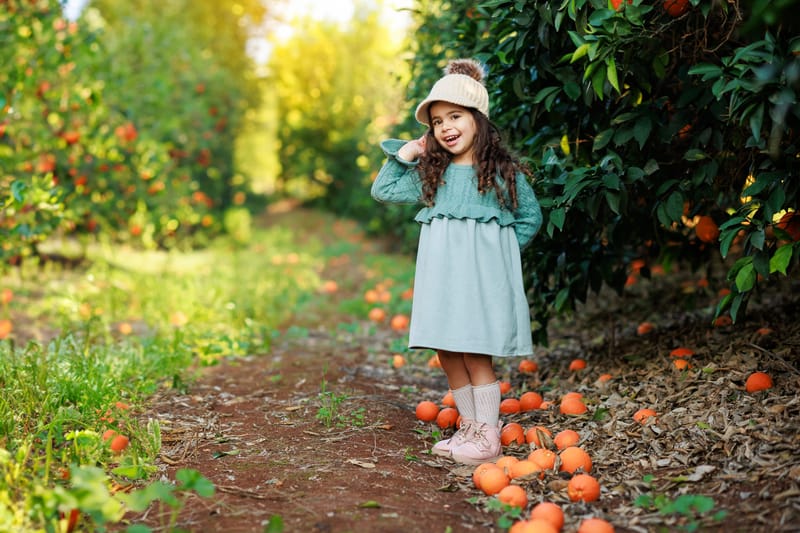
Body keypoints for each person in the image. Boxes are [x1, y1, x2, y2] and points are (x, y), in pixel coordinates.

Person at [371, 58, 542, 465]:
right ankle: (470, 426)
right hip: (442, 278)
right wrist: (409, 151)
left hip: (481, 280)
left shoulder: (502, 173)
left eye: (455, 116)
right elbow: (384, 190)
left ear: (477, 119)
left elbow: (530, 218)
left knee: (474, 351)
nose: (446, 127)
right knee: (447, 350)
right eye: (436, 122)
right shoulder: (433, 173)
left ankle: (488, 437)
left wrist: (497, 257)